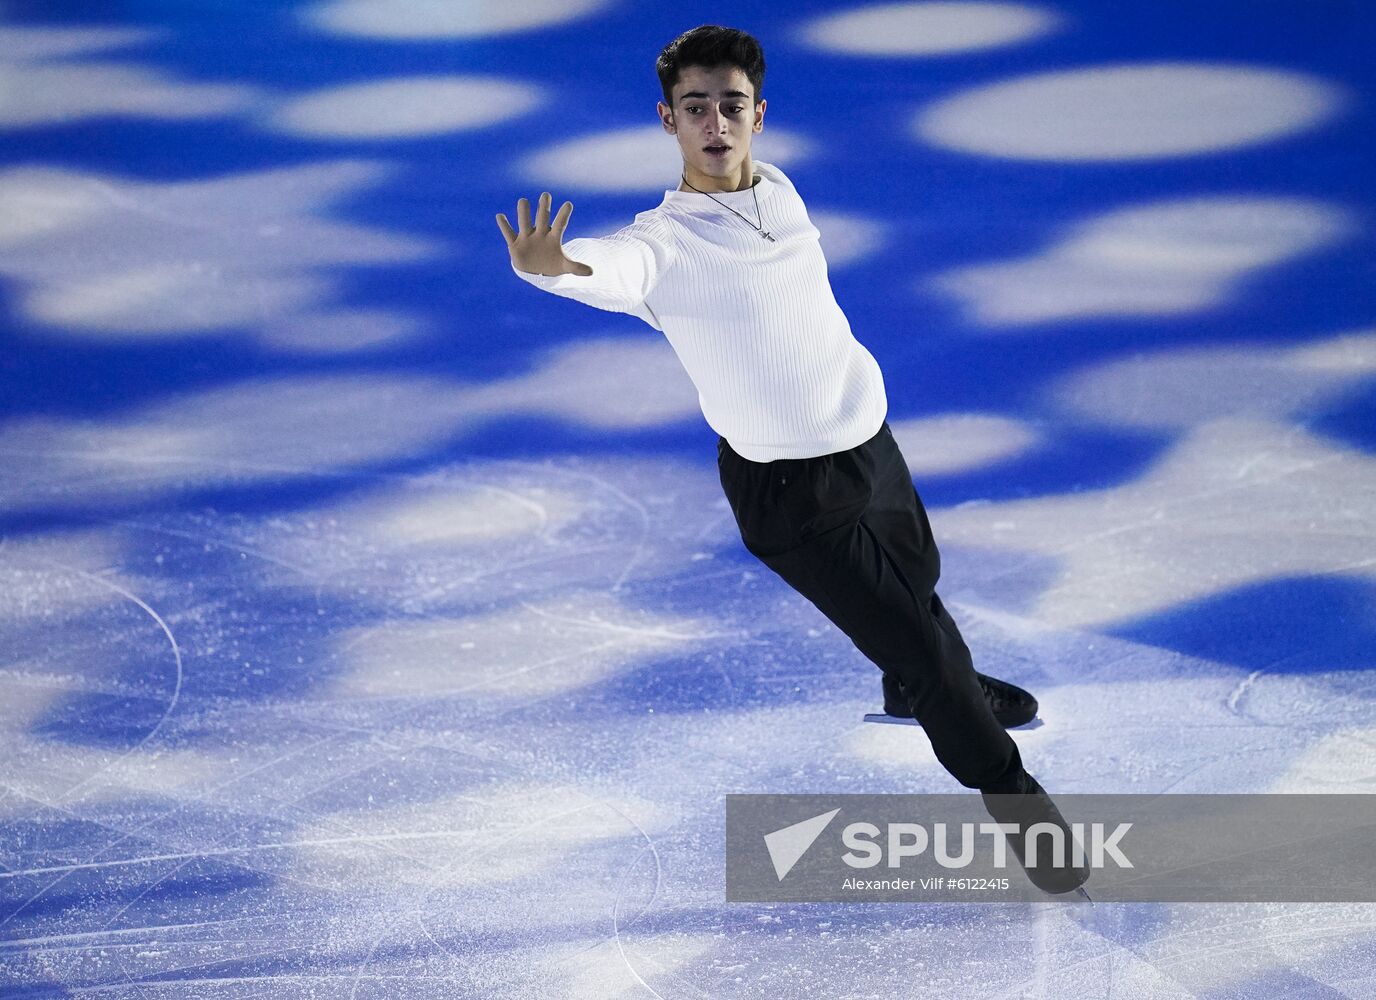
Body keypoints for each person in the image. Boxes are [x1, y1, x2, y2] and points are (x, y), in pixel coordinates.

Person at [496, 24, 1086, 895]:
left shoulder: (780, 194)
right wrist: (555, 267)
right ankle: (1010, 791)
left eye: (730, 105)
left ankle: (922, 687)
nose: (715, 122)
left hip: (869, 446)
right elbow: (609, 268)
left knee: (917, 588)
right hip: (789, 496)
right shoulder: (664, 245)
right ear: (668, 121)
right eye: (694, 108)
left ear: (758, 115)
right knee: (923, 648)